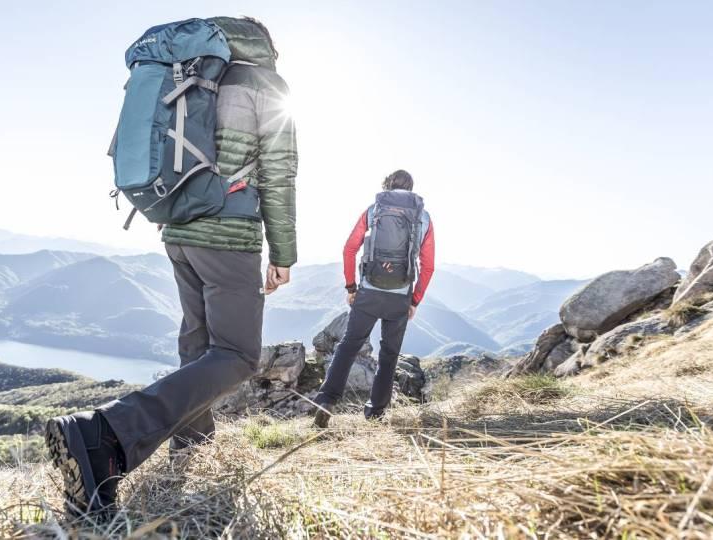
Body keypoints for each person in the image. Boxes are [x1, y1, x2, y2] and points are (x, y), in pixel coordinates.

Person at [45, 16, 297, 517]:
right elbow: (279, 172)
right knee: (238, 354)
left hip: (178, 230)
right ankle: (106, 435)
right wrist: (283, 254)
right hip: (227, 235)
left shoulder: (191, 72)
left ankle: (193, 449)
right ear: (266, 45)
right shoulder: (264, 84)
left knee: (198, 341)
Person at [313, 170, 434, 427]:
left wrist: (351, 287)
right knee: (389, 355)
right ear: (411, 189)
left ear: (387, 186)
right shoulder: (423, 218)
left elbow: (349, 249)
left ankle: (326, 400)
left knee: (348, 346)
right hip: (400, 297)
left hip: (368, 291)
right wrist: (414, 300)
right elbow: (428, 265)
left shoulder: (373, 211)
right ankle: (376, 413)